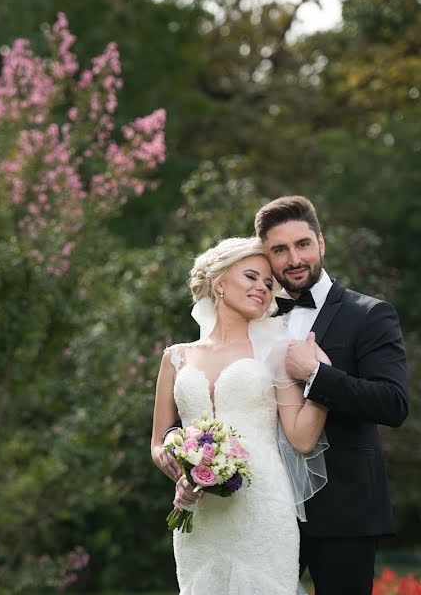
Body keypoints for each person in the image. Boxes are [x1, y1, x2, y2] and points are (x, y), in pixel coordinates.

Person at [150, 236, 331, 594]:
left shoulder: (278, 352)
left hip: (263, 507)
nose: (262, 288)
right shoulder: (176, 357)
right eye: (251, 277)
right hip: (197, 514)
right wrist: (177, 463)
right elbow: (158, 441)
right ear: (218, 283)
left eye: (268, 283)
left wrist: (323, 380)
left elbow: (302, 438)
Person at [255, 195, 409, 594]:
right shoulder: (251, 320)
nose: (294, 259)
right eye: (279, 250)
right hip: (262, 509)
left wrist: (318, 375)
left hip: (344, 512)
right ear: (265, 257)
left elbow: (393, 404)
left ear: (321, 242)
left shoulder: (370, 314)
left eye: (302, 244)